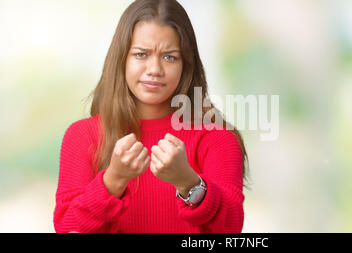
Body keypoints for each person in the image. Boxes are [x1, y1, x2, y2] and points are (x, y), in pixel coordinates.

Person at [53, 0, 248, 233]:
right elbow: (67, 227)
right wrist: (113, 180)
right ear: (122, 59)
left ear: (186, 65)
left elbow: (231, 229)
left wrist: (188, 182)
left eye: (169, 57)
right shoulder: (83, 136)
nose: (154, 69)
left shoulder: (217, 138)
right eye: (141, 54)